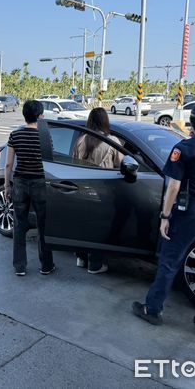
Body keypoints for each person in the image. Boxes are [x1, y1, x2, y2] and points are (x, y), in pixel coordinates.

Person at [132, 103, 195, 338]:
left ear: (193, 122)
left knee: (169, 262)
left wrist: (165, 216)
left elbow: (174, 186)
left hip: (190, 213)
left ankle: (152, 309)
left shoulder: (183, 149)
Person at [4, 100, 55, 276]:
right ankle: (46, 265)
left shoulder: (15, 135)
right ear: (40, 116)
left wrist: (6, 186)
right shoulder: (45, 136)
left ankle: (20, 266)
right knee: (43, 225)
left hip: (19, 182)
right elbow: (51, 163)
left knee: (19, 224)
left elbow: (9, 164)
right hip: (40, 183)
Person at [73, 107, 123, 274]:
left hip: (81, 189)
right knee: (98, 227)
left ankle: (81, 258)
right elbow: (121, 165)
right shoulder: (112, 141)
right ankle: (94, 264)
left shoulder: (81, 140)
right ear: (105, 121)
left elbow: (73, 163)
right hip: (102, 191)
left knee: (83, 224)